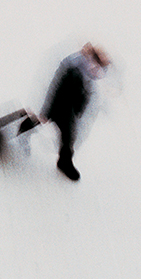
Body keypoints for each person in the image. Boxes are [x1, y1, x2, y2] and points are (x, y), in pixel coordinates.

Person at [39, 43, 111, 181]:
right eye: (98, 68)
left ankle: (64, 162)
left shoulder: (85, 71)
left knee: (67, 138)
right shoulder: (74, 71)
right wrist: (47, 110)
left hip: (66, 109)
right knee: (61, 133)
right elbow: (57, 90)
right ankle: (64, 163)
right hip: (59, 107)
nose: (98, 74)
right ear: (92, 61)